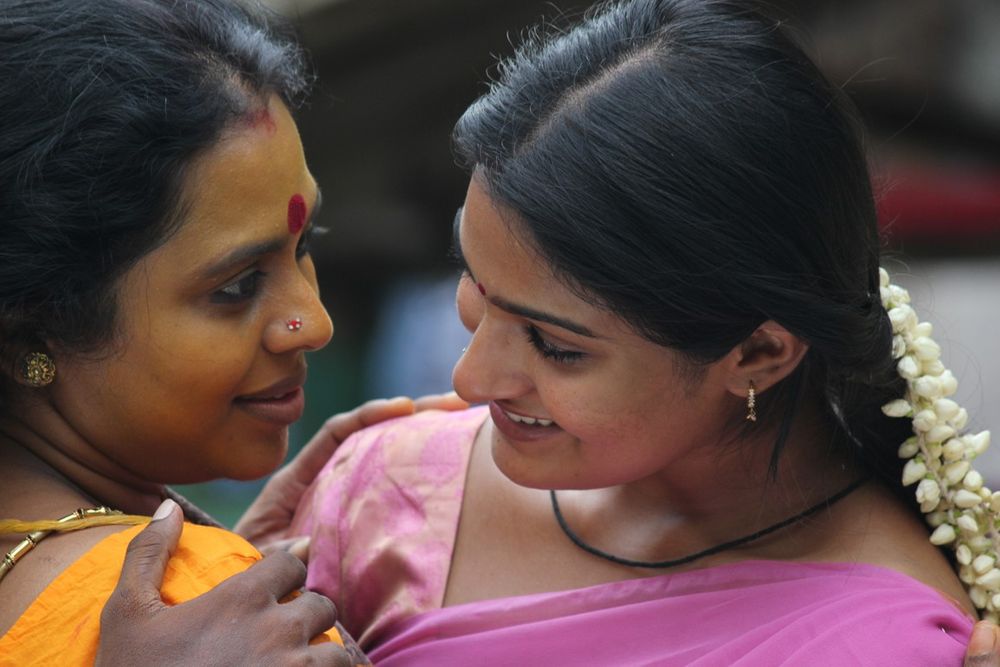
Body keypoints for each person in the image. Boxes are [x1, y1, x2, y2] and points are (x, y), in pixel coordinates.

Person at [278, 0, 995, 663]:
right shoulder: (391, 496)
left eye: (557, 346)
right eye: (475, 282)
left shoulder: (875, 644)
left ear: (758, 353)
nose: (469, 378)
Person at [0, 0, 399, 663]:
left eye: (305, 243)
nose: (314, 323)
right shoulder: (205, 617)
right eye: (236, 286)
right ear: (29, 341)